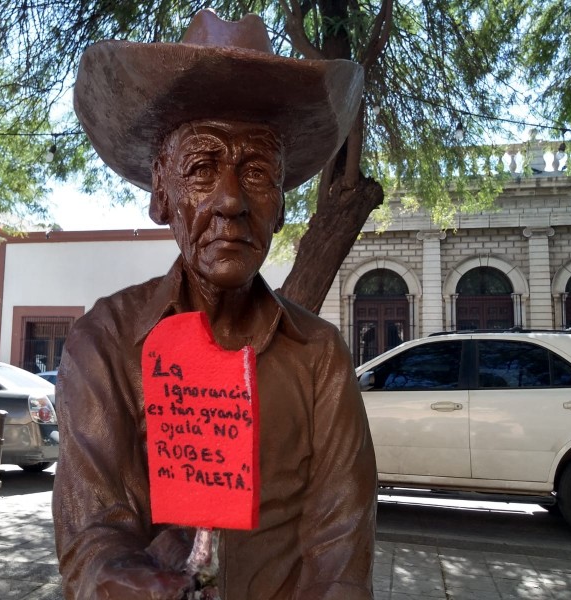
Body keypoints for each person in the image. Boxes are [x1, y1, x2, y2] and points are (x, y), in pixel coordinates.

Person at [53, 9, 377, 600]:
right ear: (161, 193)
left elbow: (340, 552)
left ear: (280, 204)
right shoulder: (104, 342)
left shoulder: (320, 358)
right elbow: (92, 533)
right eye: (202, 169)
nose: (230, 200)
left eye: (255, 172)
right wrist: (136, 583)